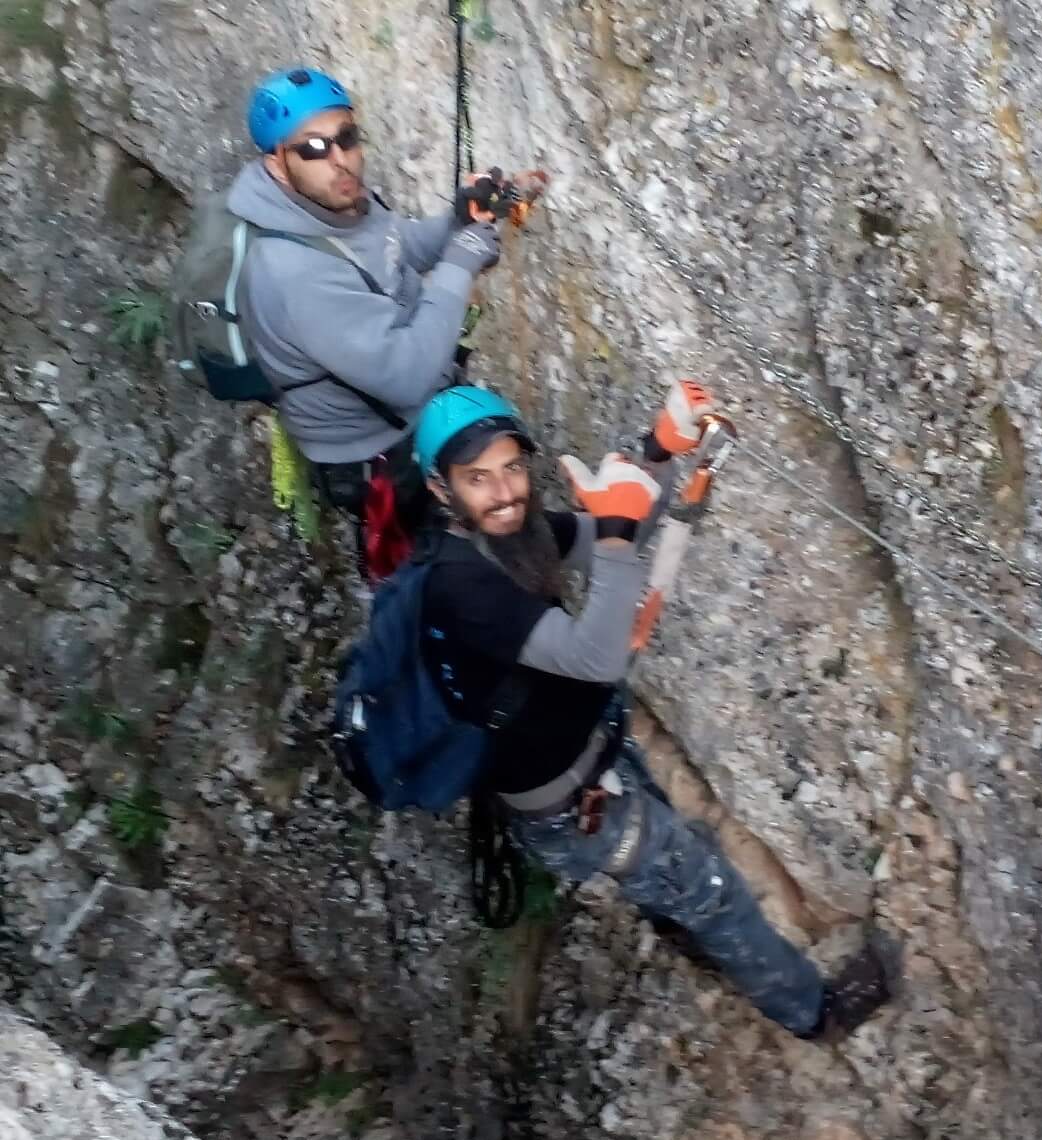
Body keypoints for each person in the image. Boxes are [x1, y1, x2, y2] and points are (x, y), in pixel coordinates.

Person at [412, 383, 896, 1041]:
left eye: (512, 469)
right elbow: (596, 655)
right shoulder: (460, 585)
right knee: (715, 888)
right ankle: (816, 1013)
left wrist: (658, 453)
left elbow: (622, 522)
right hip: (572, 806)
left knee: (674, 865)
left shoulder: (510, 533)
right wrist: (614, 540)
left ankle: (679, 918)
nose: (504, 492)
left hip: (588, 757)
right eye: (478, 479)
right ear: (442, 491)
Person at [226, 65, 545, 564]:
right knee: (439, 572)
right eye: (313, 148)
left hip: (406, 413)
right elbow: (407, 375)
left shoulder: (334, 200)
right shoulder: (292, 271)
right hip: (376, 451)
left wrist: (457, 222)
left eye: (346, 138)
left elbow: (399, 249)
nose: (339, 160)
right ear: (276, 164)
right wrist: (461, 258)